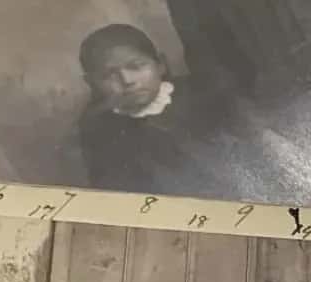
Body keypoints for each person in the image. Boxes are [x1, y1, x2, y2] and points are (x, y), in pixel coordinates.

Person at [75, 23, 238, 197]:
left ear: (160, 65)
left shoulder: (201, 94)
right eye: (109, 75)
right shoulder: (99, 129)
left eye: (136, 66)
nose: (127, 80)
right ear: (91, 83)